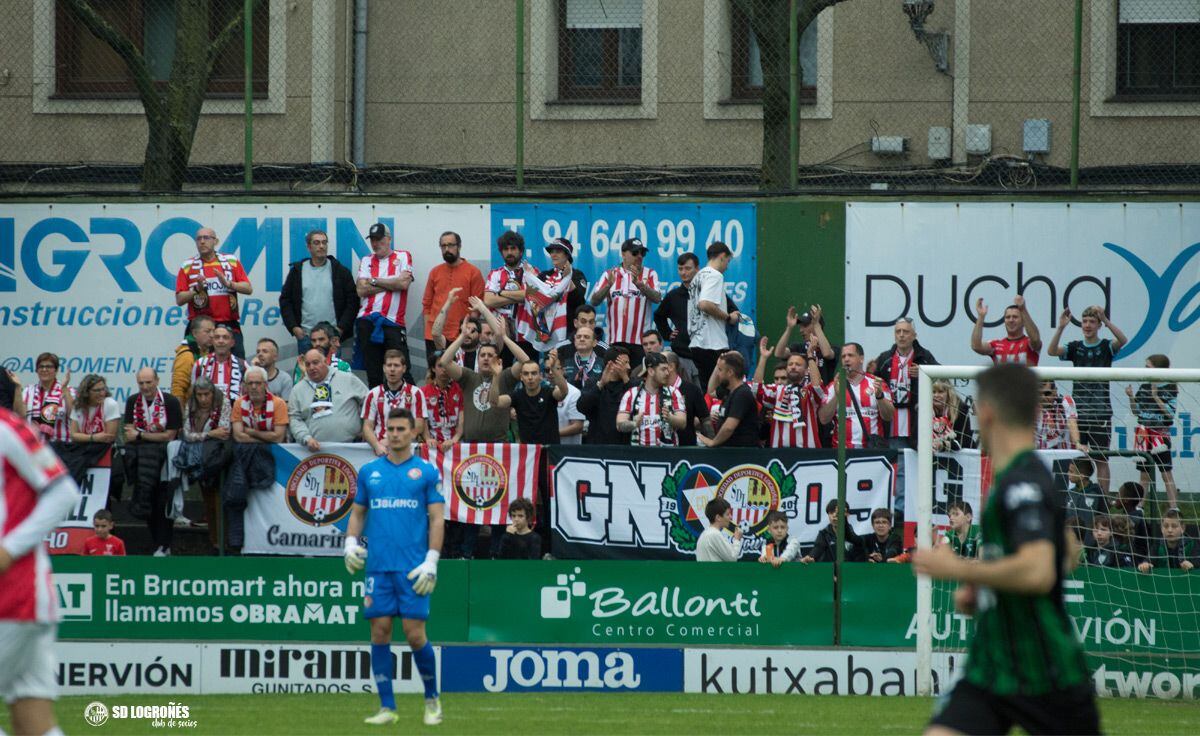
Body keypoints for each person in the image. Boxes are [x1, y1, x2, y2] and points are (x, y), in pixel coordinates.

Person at [913, 363, 1099, 736]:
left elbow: (1038, 571)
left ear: (986, 412)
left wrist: (960, 570)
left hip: (1046, 673)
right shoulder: (1027, 474)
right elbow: (1070, 555)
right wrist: (986, 588)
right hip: (991, 666)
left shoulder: (1022, 482)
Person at [343, 408, 444, 726]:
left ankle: (432, 700)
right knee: (380, 632)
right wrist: (350, 543)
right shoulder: (370, 471)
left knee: (415, 636)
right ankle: (387, 707)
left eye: (401, 429)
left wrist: (432, 560)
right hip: (379, 567)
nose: (395, 434)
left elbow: (438, 518)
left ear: (414, 432)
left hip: (413, 568)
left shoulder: (426, 472)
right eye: (391, 429)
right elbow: (358, 513)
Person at [0, 407, 80, 736]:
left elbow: (64, 492)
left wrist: (9, 549)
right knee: (33, 720)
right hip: (24, 602)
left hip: (15, 596)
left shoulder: (6, 427)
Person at [1048, 305, 1128, 494]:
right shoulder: (1076, 347)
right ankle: (1075, 500)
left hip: (1101, 413)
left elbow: (1123, 340)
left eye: (1092, 321)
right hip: (1078, 413)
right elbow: (1051, 351)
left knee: (1101, 459)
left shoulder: (1106, 346)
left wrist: (1107, 320)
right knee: (1075, 457)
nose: (1087, 325)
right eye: (1084, 321)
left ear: (1099, 325)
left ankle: (1103, 501)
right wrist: (1060, 327)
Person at [123, 368, 182, 556]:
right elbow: (128, 434)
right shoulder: (133, 401)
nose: (145, 387)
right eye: (141, 383)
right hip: (141, 461)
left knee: (162, 502)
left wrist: (141, 435)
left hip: (165, 459)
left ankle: (165, 543)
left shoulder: (170, 401)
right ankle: (157, 543)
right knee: (145, 499)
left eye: (149, 382)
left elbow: (170, 435)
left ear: (157, 380)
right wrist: (151, 436)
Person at [174, 226, 252, 358]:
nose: (202, 242)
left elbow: (248, 288)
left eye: (206, 238)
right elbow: (179, 299)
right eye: (199, 239)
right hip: (201, 326)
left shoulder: (230, 261)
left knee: (237, 364)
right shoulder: (188, 265)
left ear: (215, 241)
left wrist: (229, 284)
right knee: (195, 365)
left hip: (228, 323)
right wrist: (196, 290)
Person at [280, 229, 359, 357]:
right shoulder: (297, 271)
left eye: (324, 242)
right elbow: (285, 300)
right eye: (316, 243)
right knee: (307, 375)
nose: (321, 246)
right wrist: (294, 328)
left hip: (332, 337)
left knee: (333, 375)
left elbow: (353, 302)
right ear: (308, 247)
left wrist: (340, 328)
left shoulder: (340, 271)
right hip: (306, 336)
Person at [356, 223, 416, 389]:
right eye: (373, 240)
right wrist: (392, 283)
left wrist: (374, 281)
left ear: (388, 239)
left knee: (403, 371)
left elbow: (403, 285)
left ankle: (410, 410)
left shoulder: (403, 256)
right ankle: (378, 412)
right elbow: (361, 289)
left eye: (379, 239)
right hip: (367, 320)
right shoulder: (367, 260)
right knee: (374, 373)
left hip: (393, 322)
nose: (376, 244)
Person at [590, 238, 662, 367]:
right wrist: (608, 286)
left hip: (641, 342)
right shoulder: (609, 274)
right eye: (635, 253)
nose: (639, 256)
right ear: (623, 254)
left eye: (642, 253)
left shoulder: (650, 274)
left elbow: (657, 298)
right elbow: (594, 301)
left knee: (638, 379)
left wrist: (640, 284)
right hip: (615, 341)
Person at [871, 318, 939, 450]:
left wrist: (924, 373)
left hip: (916, 420)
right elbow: (873, 382)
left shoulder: (924, 356)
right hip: (890, 422)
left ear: (914, 336)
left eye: (906, 332)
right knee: (897, 464)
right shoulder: (885, 358)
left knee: (917, 466)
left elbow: (942, 378)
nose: (901, 335)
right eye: (898, 331)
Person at [817, 344, 895, 449]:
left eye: (850, 355)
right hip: (842, 453)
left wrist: (880, 396)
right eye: (843, 356)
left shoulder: (876, 383)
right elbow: (823, 419)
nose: (846, 359)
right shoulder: (833, 386)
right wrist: (836, 396)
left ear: (861, 359)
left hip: (871, 451)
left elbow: (889, 416)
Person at [1127, 353, 1179, 510]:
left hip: (1160, 437)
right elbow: (1136, 412)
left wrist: (1156, 397)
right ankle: (1140, 507)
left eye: (1148, 367)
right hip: (1144, 436)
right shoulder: (1144, 387)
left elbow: (1170, 413)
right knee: (1144, 475)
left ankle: (1174, 508)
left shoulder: (1170, 388)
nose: (1145, 370)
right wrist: (1131, 397)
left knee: (1166, 474)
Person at [289, 349, 369, 450]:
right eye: (308, 364)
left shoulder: (347, 379)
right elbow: (295, 418)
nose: (311, 367)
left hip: (352, 448)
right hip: (314, 451)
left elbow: (369, 401)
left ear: (326, 362)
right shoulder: (297, 390)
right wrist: (306, 438)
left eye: (315, 363)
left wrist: (367, 428)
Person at [422, 231, 485, 358]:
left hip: (461, 337)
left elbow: (476, 309)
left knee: (460, 376)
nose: (447, 249)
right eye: (443, 246)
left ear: (459, 246)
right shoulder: (435, 272)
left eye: (450, 245)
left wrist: (467, 333)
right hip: (435, 337)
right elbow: (427, 304)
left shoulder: (473, 272)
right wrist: (430, 331)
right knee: (436, 375)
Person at [753, 339, 824, 448]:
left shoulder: (809, 390)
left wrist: (810, 357)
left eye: (798, 364)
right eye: (790, 364)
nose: (793, 366)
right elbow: (757, 390)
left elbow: (818, 387)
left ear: (806, 371)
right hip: (780, 453)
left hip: (808, 451)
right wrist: (763, 358)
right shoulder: (778, 390)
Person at [687, 242, 738, 387]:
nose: (727, 266)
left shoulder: (697, 277)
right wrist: (728, 317)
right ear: (722, 257)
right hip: (712, 343)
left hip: (697, 342)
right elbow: (705, 304)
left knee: (706, 390)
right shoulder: (715, 275)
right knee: (719, 390)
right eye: (728, 261)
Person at [490, 356, 570, 445]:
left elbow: (564, 392)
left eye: (534, 373)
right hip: (528, 453)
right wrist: (496, 376)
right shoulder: (517, 395)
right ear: (521, 377)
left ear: (540, 376)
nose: (530, 377)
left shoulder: (549, 392)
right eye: (526, 374)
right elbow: (495, 402)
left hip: (549, 450)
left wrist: (554, 368)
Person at [516, 238, 576, 354]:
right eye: (551, 251)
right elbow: (533, 296)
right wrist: (531, 277)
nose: (553, 254)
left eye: (558, 251)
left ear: (567, 255)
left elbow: (578, 298)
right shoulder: (544, 275)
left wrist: (568, 278)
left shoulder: (577, 275)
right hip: (546, 332)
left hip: (567, 333)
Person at [615, 352, 687, 447]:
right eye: (663, 369)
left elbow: (683, 423)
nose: (667, 373)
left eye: (667, 369)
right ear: (651, 371)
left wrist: (670, 418)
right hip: (640, 454)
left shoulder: (674, 392)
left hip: (669, 454)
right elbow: (619, 425)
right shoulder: (631, 394)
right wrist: (633, 424)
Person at [362, 350, 426, 456]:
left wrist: (392, 441)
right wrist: (376, 445)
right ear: (384, 368)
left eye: (396, 365)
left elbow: (419, 426)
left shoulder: (416, 393)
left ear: (404, 368)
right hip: (381, 450)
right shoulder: (373, 394)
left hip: (407, 450)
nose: (392, 369)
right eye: (389, 365)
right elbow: (367, 426)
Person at [699, 350, 760, 448]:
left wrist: (713, 442)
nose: (718, 374)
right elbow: (711, 392)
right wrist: (718, 364)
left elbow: (729, 427)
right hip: (730, 452)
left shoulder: (742, 394)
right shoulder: (728, 391)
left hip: (743, 454)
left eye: (720, 370)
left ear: (730, 372)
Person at [577, 346, 635, 446]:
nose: (629, 367)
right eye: (625, 363)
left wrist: (626, 379)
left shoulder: (632, 384)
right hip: (598, 444)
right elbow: (582, 407)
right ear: (612, 365)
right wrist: (601, 384)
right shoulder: (594, 383)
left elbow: (638, 406)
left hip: (624, 445)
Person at [771, 304, 838, 384]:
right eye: (800, 326)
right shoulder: (799, 347)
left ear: (818, 325)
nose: (801, 330)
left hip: (822, 395)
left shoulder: (832, 348)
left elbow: (827, 353)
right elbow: (779, 353)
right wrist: (789, 328)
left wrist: (816, 325)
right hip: (801, 395)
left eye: (805, 325)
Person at [969, 294, 1042, 366]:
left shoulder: (1029, 343)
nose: (1011, 320)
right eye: (1008, 317)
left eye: (1015, 317)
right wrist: (981, 317)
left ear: (1023, 322)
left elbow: (1035, 339)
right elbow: (976, 346)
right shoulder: (996, 345)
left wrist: (1023, 309)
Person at [23, 352, 73, 444]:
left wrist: (65, 389)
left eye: (49, 366)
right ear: (36, 370)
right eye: (41, 366)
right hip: (34, 446)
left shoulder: (68, 390)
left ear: (56, 370)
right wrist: (18, 387)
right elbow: (19, 416)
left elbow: (73, 415)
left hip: (61, 447)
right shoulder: (28, 391)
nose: (44, 369)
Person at [662, 352, 711, 446]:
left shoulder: (692, 390)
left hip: (687, 449)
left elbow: (705, 420)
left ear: (671, 366)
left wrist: (712, 444)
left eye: (661, 363)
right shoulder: (656, 389)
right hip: (660, 447)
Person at [419, 356, 464, 451]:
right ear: (433, 368)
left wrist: (453, 440)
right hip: (431, 446)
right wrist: (427, 439)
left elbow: (461, 423)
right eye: (440, 366)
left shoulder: (460, 390)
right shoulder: (422, 392)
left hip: (456, 444)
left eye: (447, 365)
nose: (444, 369)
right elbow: (423, 421)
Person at [192, 324, 248, 402]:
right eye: (217, 337)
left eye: (225, 337)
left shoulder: (243, 365)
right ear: (212, 341)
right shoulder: (200, 364)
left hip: (234, 412)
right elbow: (193, 394)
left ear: (232, 343)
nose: (221, 341)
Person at [171, 315, 215, 402]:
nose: (212, 335)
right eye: (208, 331)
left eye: (213, 331)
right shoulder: (187, 355)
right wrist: (181, 415)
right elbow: (178, 390)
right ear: (194, 333)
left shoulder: (210, 353)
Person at [69, 374, 121, 445]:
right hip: (81, 449)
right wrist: (93, 437)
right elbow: (73, 435)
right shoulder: (78, 406)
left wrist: (82, 437)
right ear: (86, 392)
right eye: (97, 390)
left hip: (104, 449)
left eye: (103, 389)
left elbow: (109, 437)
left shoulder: (110, 404)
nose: (102, 393)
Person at [1064, 457, 1108, 541]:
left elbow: (1104, 517)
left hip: (1090, 542)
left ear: (1081, 476)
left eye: (1071, 471)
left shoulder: (1096, 493)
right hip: (1070, 541)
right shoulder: (1069, 493)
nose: (1068, 473)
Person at [931, 380, 975, 451]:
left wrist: (944, 445)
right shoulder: (922, 410)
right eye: (933, 392)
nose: (936, 395)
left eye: (940, 392)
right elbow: (914, 440)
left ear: (949, 394)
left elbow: (965, 441)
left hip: (962, 457)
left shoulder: (960, 409)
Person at [558, 325, 606, 391]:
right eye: (578, 337)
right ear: (575, 341)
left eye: (586, 337)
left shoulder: (603, 364)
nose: (582, 339)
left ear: (594, 343)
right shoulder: (564, 364)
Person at [1035, 380, 1079, 450]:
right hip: (1041, 455)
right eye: (1039, 394)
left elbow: (1072, 423)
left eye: (1047, 393)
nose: (1043, 398)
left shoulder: (1067, 401)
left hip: (1064, 455)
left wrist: (1077, 444)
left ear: (1055, 391)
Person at [696, 497, 742, 562]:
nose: (731, 517)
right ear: (718, 517)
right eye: (727, 514)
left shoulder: (706, 533)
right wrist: (737, 539)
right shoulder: (714, 534)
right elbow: (732, 558)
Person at [557, 379, 586, 445]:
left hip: (567, 448)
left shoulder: (574, 393)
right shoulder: (542, 389)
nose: (550, 372)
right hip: (543, 447)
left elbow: (578, 427)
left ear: (563, 370)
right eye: (547, 370)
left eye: (555, 369)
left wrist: (551, 434)